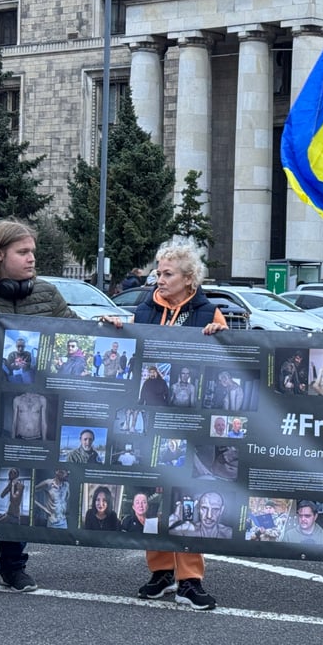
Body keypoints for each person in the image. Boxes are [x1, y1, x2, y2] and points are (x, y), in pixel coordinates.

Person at [133, 239, 228, 611]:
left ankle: (189, 579)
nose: (159, 279)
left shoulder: (209, 314)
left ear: (190, 279)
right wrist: (115, 329)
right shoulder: (144, 311)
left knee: (189, 492)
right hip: (152, 422)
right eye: (158, 272)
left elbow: (229, 363)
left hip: (190, 425)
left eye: (167, 273)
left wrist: (222, 339)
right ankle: (160, 572)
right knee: (155, 491)